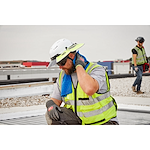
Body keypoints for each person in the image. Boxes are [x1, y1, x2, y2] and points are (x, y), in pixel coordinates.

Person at [45, 38, 119, 125]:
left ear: (71, 56)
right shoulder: (63, 76)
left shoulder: (96, 70)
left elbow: (89, 89)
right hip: (80, 122)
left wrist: (79, 65)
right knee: (51, 114)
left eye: (62, 62)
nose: (60, 67)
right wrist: (50, 104)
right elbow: (55, 100)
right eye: (58, 64)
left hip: (104, 122)